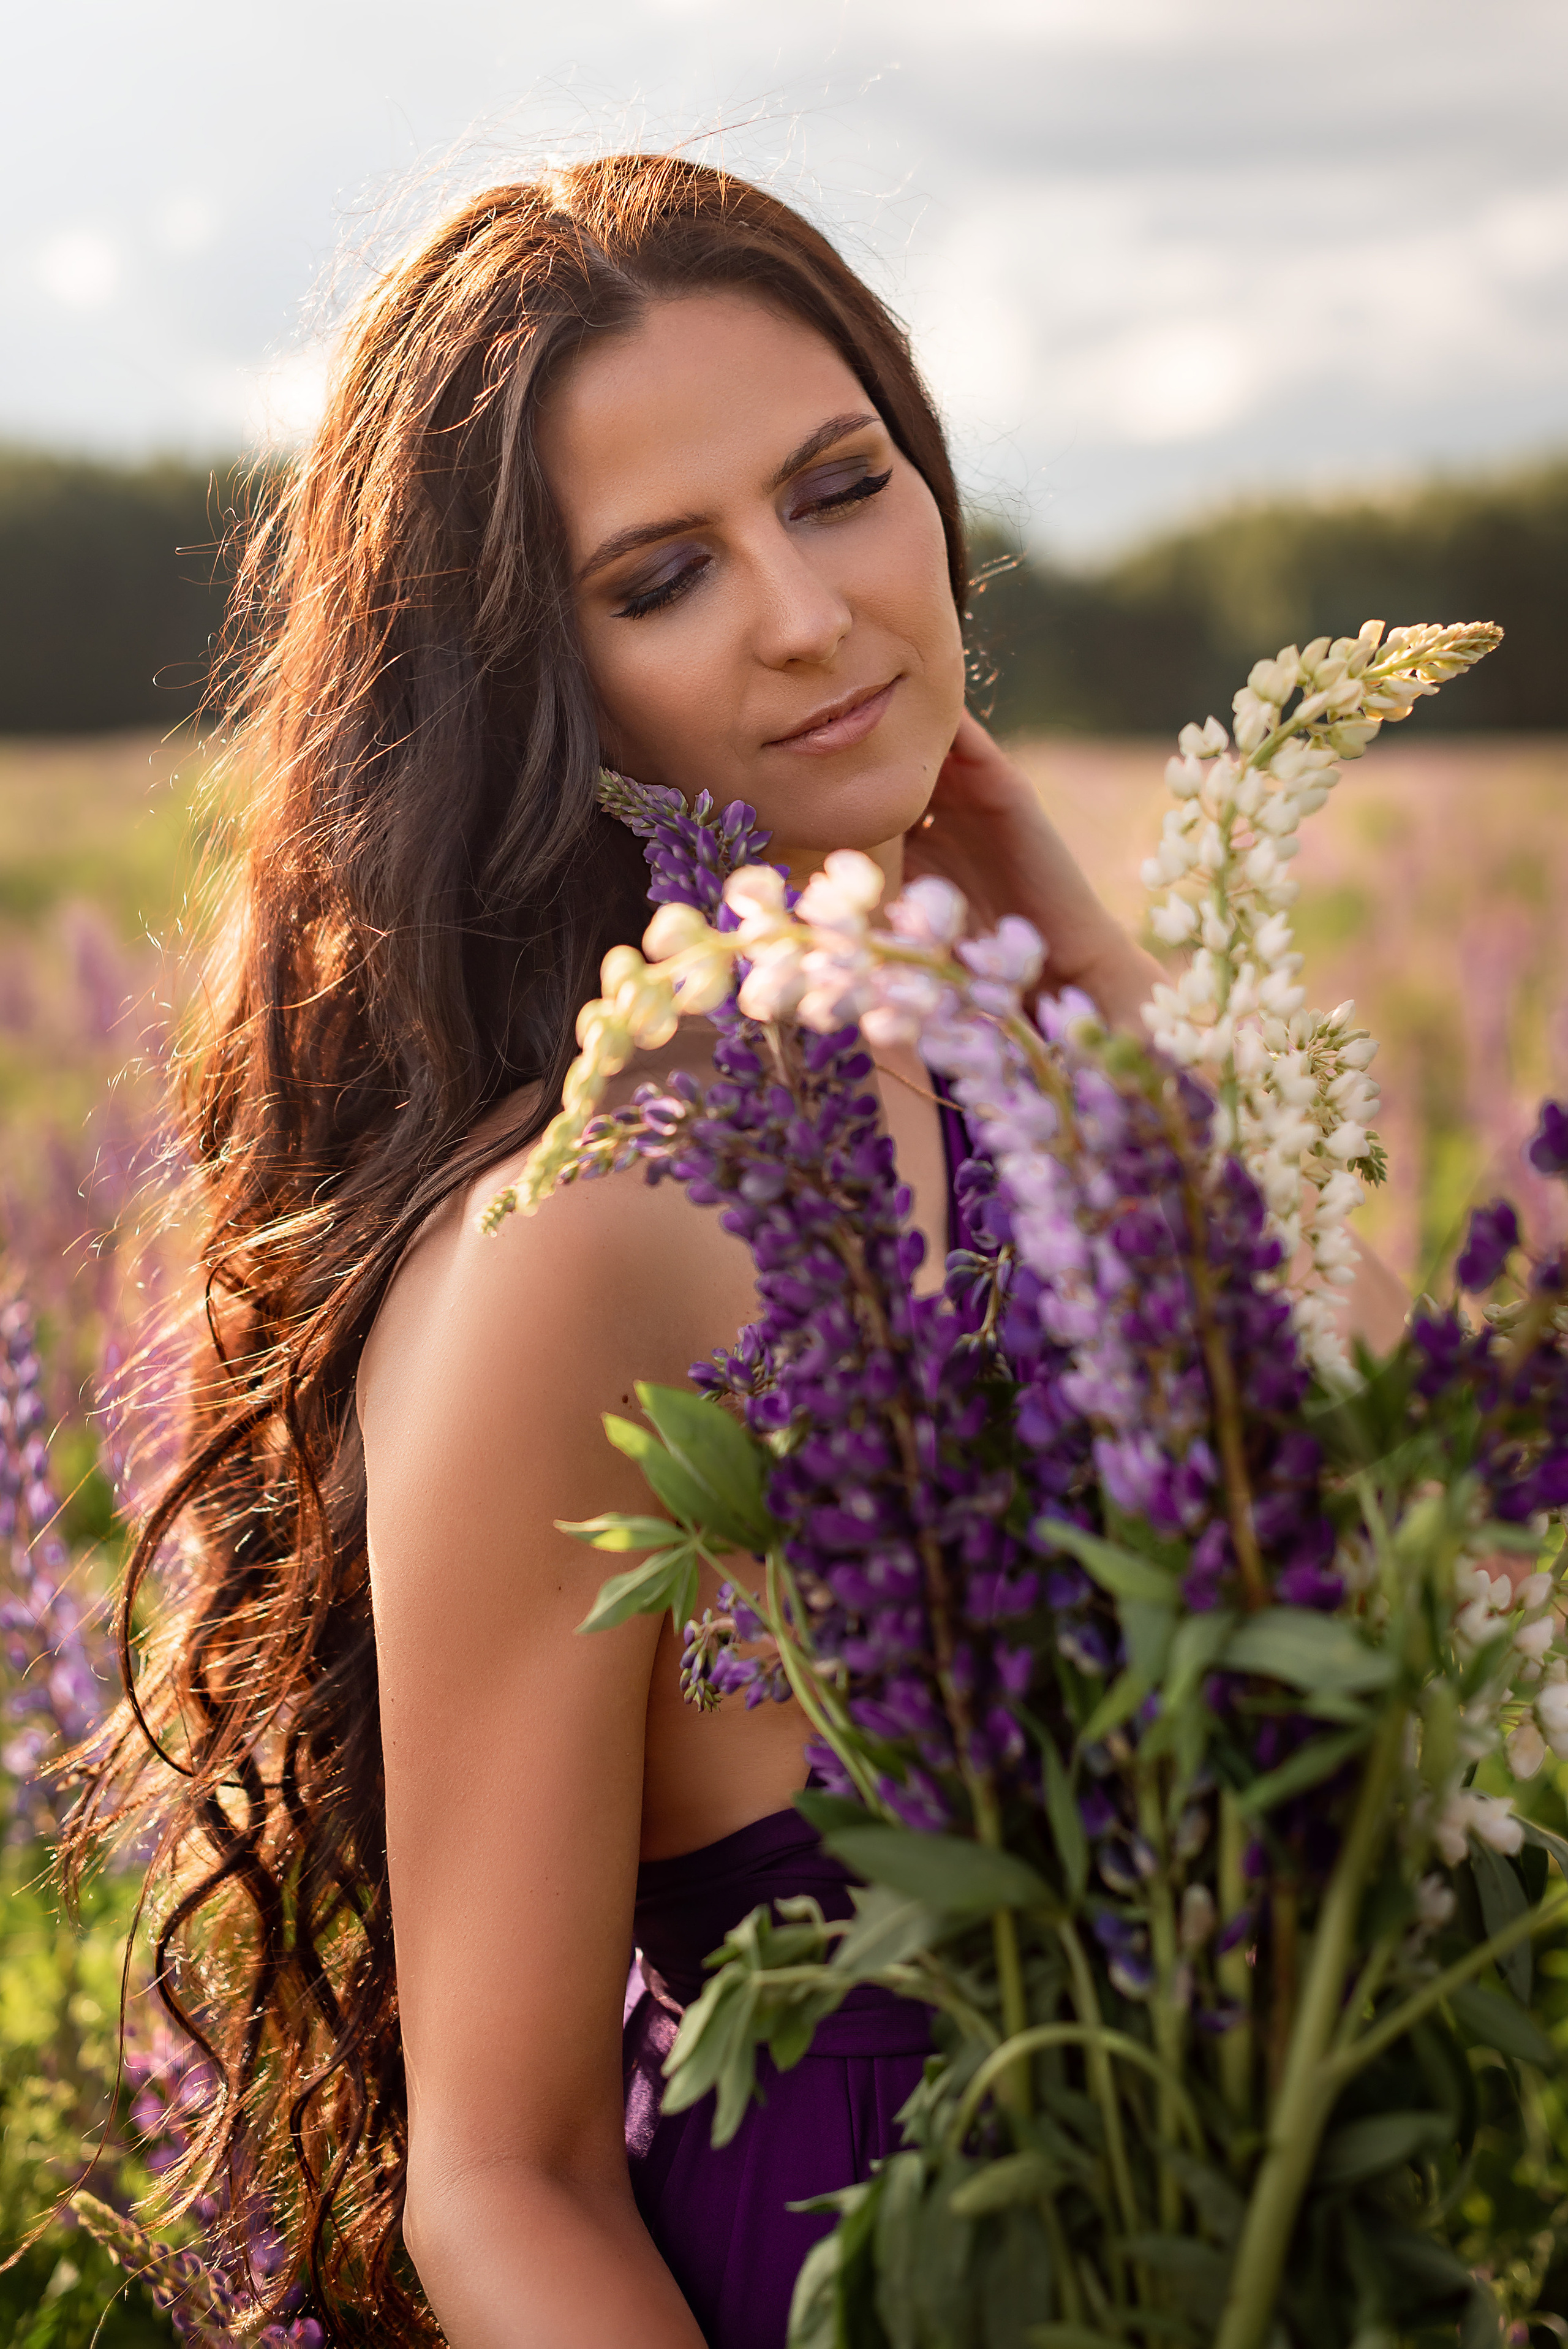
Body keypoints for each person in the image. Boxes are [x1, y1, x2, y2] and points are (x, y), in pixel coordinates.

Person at [72, 154, 1408, 2347]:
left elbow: (1428, 1496)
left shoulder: (1022, 1090)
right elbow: (494, 2185)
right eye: (667, 573)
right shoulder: (577, 1234)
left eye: (840, 484)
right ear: (531, 684)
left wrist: (1097, 978)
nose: (807, 611)